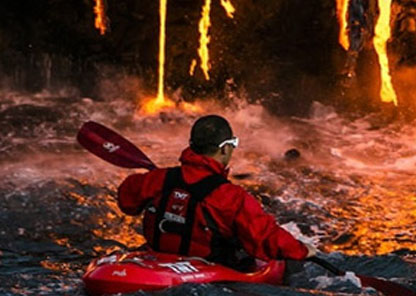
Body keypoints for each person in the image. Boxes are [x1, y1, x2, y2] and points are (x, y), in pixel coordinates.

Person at [116, 114, 317, 270]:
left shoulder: (158, 179)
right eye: (233, 144)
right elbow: (265, 237)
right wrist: (302, 250)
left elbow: (126, 200)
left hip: (156, 260)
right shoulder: (231, 197)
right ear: (224, 149)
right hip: (206, 270)